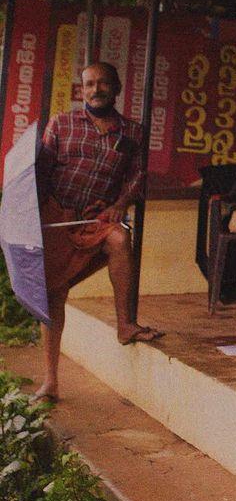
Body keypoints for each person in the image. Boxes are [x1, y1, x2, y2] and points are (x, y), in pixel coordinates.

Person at [33, 61, 163, 401]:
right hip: (56, 217)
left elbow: (137, 177)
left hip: (97, 217)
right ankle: (50, 381)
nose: (96, 90)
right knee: (53, 296)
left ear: (117, 88)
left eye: (103, 83)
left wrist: (121, 203)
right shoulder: (61, 123)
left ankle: (124, 326)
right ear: (82, 89)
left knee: (120, 237)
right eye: (89, 84)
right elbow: (41, 172)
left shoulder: (132, 132)